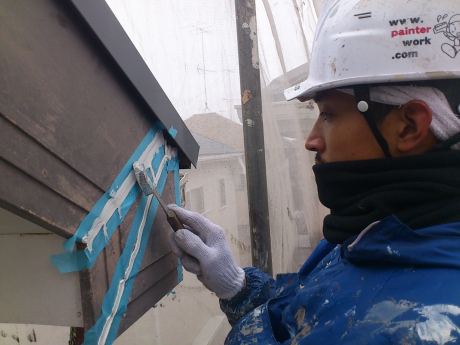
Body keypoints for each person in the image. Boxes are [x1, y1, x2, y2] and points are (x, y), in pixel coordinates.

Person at [169, 0, 460, 343]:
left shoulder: (419, 328)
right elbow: (308, 310)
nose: (311, 140)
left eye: (329, 114)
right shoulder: (373, 232)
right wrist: (238, 286)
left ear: (409, 126)